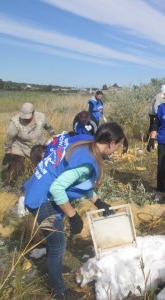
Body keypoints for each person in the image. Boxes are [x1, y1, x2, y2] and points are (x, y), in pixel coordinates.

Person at [23, 122, 128, 299]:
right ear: (111, 143)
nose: (116, 150)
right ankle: (60, 292)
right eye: (117, 146)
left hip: (39, 187)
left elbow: (77, 180)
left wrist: (98, 201)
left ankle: (53, 266)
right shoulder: (88, 162)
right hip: (41, 197)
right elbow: (58, 188)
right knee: (58, 243)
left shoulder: (87, 142)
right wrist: (73, 216)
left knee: (54, 240)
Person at [2, 102, 55, 186]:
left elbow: (49, 127)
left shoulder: (41, 117)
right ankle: (10, 184)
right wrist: (8, 150)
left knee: (41, 167)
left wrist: (54, 136)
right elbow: (9, 137)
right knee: (15, 166)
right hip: (20, 147)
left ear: (33, 113)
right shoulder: (15, 122)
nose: (25, 119)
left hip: (38, 146)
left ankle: (40, 184)